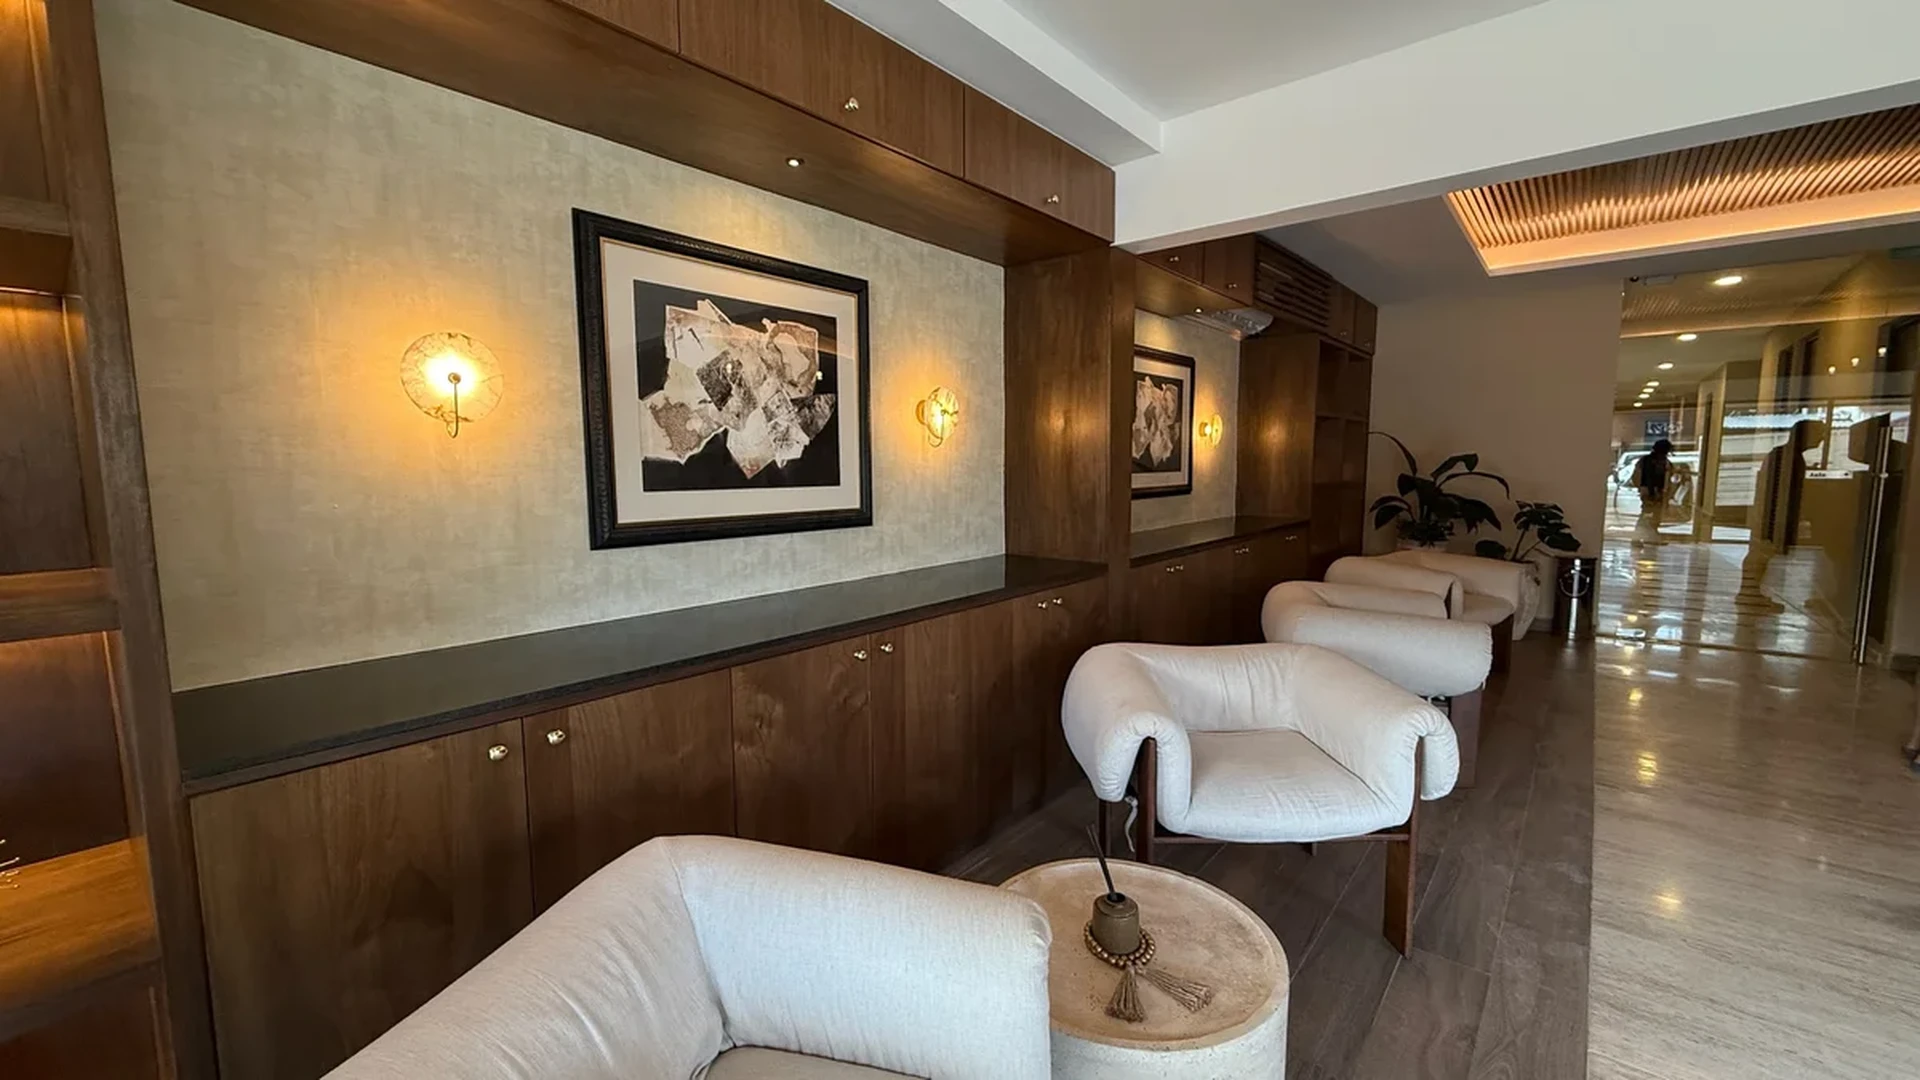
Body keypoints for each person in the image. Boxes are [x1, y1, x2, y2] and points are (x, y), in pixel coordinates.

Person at [1737, 419, 1829, 612]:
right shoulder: (1788, 457)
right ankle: (1749, 592)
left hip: (1769, 513)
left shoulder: (1784, 455)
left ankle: (1749, 592)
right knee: (1762, 553)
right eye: (1819, 434)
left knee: (1761, 553)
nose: (1822, 439)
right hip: (1772, 515)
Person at [1629, 439, 1675, 546]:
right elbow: (1637, 477)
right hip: (1650, 491)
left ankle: (1649, 538)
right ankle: (1637, 538)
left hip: (1655, 491)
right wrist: (1645, 489)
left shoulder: (1648, 460)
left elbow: (1636, 477)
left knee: (1654, 516)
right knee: (1647, 515)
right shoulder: (1652, 461)